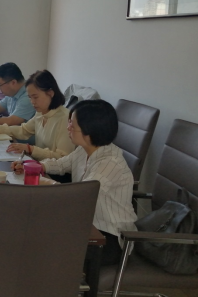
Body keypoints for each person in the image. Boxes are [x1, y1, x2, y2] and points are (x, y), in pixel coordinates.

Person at [13, 100, 138, 266]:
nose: (68, 128)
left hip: (109, 238)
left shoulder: (109, 163)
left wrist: (48, 184)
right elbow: (61, 164)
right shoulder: (84, 150)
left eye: (73, 125)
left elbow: (80, 197)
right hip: (84, 224)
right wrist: (35, 166)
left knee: (41, 245)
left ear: (90, 130)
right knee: (33, 231)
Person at [0, 69, 75, 161]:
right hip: (40, 165)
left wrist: (31, 149)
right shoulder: (40, 113)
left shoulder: (65, 119)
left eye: (35, 97)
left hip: (52, 170)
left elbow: (63, 158)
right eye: (30, 97)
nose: (32, 102)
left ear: (50, 93)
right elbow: (24, 130)